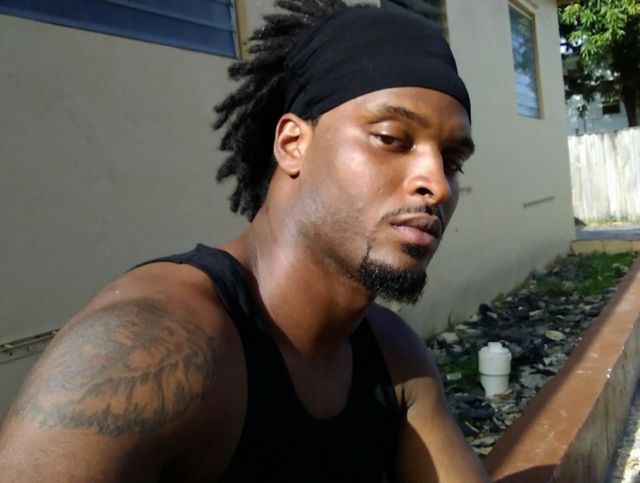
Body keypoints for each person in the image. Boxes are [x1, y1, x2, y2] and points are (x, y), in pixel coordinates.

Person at [0, 1, 489, 481]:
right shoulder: (151, 347)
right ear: (292, 144)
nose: (437, 185)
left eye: (452, 161)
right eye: (390, 138)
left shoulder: (394, 356)